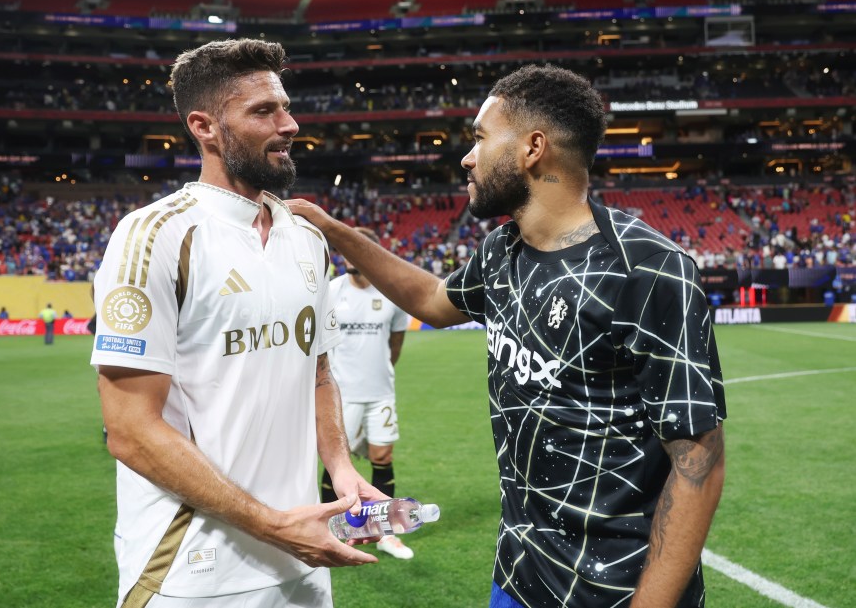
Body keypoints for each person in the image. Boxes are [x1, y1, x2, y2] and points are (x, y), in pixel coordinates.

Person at [288, 64, 726, 608]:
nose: (467, 157)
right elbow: (431, 300)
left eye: (479, 138)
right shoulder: (503, 250)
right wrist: (335, 232)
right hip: (518, 574)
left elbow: (697, 462)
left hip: (613, 589)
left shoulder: (648, 270)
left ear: (532, 147)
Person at [90, 38, 385, 608]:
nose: (290, 123)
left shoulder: (306, 237)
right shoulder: (155, 236)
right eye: (263, 111)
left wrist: (341, 468)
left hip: (302, 552)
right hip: (189, 569)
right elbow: (129, 430)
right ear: (204, 126)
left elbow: (317, 369)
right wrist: (270, 523)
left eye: (286, 106)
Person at [321, 227, 413, 560]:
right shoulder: (330, 291)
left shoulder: (392, 294)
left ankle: (385, 532)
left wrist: (378, 372)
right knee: (336, 464)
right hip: (342, 395)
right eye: (344, 249)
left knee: (383, 458)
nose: (347, 254)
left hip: (380, 393)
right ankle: (328, 527)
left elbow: (396, 344)